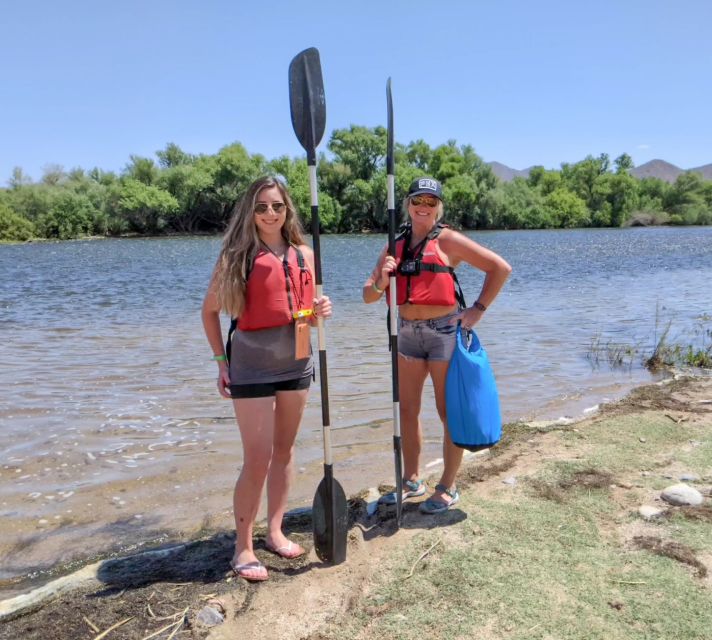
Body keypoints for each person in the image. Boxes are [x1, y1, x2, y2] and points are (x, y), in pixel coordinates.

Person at [202, 176, 332, 581]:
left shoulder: (304, 255)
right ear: (250, 212)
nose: (271, 213)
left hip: (297, 362)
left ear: (287, 209)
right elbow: (209, 312)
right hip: (251, 365)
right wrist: (221, 362)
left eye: (277, 206)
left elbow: (304, 311)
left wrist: (319, 310)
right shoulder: (236, 256)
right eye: (261, 207)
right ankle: (242, 547)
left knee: (286, 450)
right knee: (257, 457)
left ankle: (275, 531)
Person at [363, 177, 511, 514]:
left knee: (448, 413)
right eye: (418, 199)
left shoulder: (448, 240)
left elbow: (500, 268)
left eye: (431, 201)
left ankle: (447, 486)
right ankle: (412, 480)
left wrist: (477, 310)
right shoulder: (393, 244)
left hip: (444, 333)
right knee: (408, 409)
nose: (423, 206)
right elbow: (368, 296)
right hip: (407, 333)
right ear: (408, 203)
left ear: (438, 206)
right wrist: (382, 281)